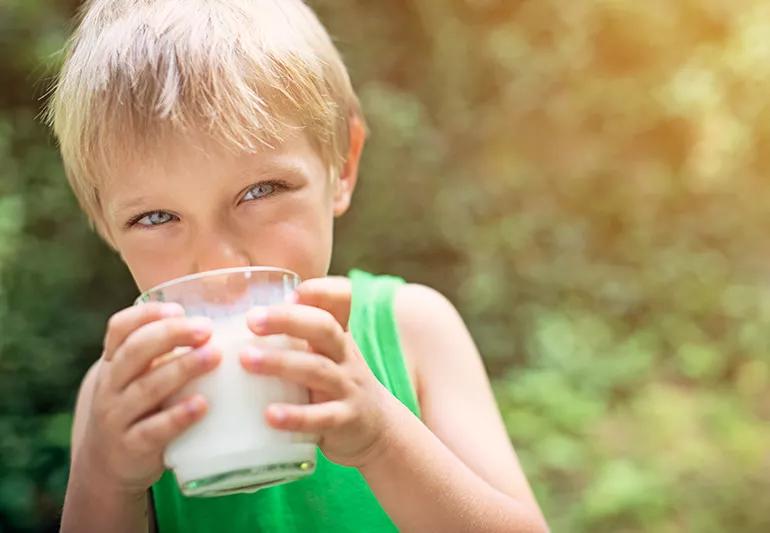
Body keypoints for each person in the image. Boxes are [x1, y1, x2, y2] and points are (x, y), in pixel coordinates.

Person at [46, 1, 548, 531]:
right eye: (156, 216)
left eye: (260, 191)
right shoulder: (118, 396)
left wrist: (380, 438)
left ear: (343, 166)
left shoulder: (411, 330)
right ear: (104, 224)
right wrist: (106, 477)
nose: (219, 263)